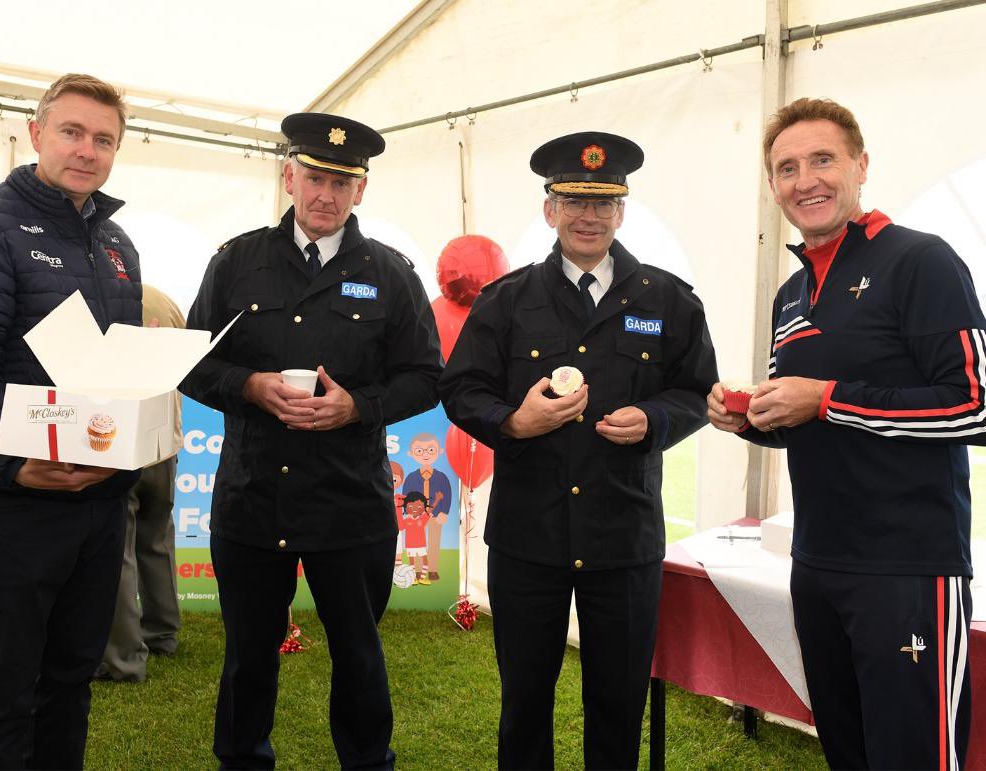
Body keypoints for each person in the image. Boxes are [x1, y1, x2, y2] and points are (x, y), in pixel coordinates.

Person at [707, 97, 978, 769]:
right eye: (787, 168)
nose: (806, 181)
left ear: (860, 165)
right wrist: (753, 418)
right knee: (850, 753)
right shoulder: (791, 295)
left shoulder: (921, 260)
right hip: (818, 561)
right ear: (774, 187)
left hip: (907, 566)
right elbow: (800, 422)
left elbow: (975, 407)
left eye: (823, 159)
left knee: (913, 756)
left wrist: (825, 400)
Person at [439, 131, 717, 769]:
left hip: (622, 537)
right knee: (525, 704)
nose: (589, 216)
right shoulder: (506, 300)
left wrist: (651, 418)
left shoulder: (667, 299)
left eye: (604, 202)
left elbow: (697, 390)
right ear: (550, 209)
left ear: (622, 210)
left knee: (618, 706)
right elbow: (461, 388)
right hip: (527, 541)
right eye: (573, 201)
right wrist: (514, 422)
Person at [180, 112, 442, 769]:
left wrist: (358, 406)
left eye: (342, 182)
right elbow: (191, 362)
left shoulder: (391, 272)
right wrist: (249, 386)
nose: (326, 194)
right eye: (315, 177)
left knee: (358, 652)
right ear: (288, 176)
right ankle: (242, 759)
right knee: (248, 653)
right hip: (251, 498)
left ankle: (366, 760)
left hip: (349, 504)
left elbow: (426, 378)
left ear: (362, 190)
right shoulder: (236, 261)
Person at [0, 73, 141, 768]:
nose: (88, 150)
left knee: (70, 680)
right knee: (2, 690)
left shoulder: (117, 246)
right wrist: (13, 459)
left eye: (104, 139)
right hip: (9, 499)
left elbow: (119, 371)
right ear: (36, 132)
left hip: (98, 496)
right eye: (73, 132)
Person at [96, 284, 184, 681]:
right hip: (164, 440)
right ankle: (163, 632)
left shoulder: (97, 301)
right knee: (157, 537)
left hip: (118, 442)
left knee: (120, 551)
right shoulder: (164, 300)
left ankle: (124, 657)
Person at [401, 432, 451, 580]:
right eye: (419, 451)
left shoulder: (442, 477)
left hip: (436, 515)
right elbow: (405, 496)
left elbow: (447, 494)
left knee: (434, 541)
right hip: (416, 516)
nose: (425, 454)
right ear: (411, 453)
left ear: (439, 451)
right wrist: (407, 513)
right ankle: (417, 570)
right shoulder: (411, 478)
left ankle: (433, 570)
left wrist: (444, 512)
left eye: (430, 450)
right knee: (416, 543)